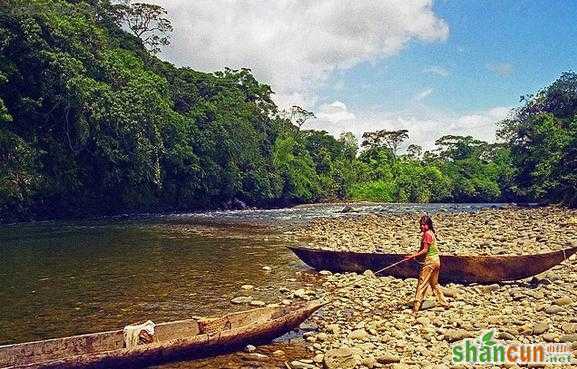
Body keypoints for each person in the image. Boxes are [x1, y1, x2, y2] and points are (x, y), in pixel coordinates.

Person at [404, 214, 448, 314]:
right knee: (434, 283)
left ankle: (416, 307)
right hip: (436, 260)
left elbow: (425, 250)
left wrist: (412, 256)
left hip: (430, 261)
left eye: (424, 225)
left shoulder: (427, 234)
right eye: (421, 225)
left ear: (428, 225)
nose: (422, 227)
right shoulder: (431, 233)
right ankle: (444, 302)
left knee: (422, 283)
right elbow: (423, 249)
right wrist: (415, 255)